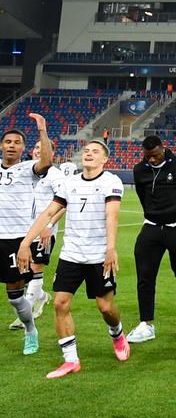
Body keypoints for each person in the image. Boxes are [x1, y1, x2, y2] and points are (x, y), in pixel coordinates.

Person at [18, 140, 127, 377]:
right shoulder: (70, 183)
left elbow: (112, 216)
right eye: (86, 151)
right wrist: (26, 243)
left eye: (95, 152)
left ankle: (117, 333)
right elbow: (49, 212)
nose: (88, 154)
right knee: (60, 303)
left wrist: (111, 249)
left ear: (104, 159)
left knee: (106, 308)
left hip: (98, 256)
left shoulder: (111, 181)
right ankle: (71, 359)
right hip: (71, 255)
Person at [125, 134, 176, 343]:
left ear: (163, 148)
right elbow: (142, 196)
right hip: (151, 227)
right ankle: (146, 324)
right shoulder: (139, 170)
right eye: (148, 156)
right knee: (145, 276)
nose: (152, 159)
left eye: (155, 155)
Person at [0, 113, 53, 356]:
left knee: (14, 295)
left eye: (17, 142)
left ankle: (30, 329)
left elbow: (46, 161)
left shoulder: (27, 169)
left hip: (16, 239)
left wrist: (42, 130)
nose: (12, 145)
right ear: (2, 146)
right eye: (8, 142)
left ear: (23, 148)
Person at [9, 141, 75, 332]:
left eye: (43, 148)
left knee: (36, 266)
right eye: (36, 148)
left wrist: (49, 225)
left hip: (45, 230)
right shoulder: (25, 172)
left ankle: (27, 313)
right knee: (24, 270)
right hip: (23, 229)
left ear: (51, 153)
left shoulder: (56, 176)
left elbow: (64, 204)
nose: (39, 151)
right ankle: (41, 296)